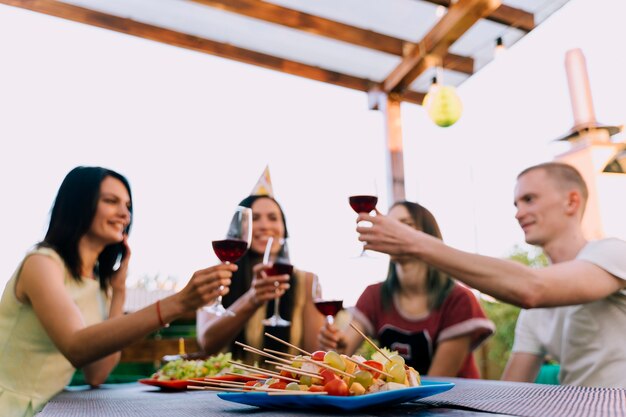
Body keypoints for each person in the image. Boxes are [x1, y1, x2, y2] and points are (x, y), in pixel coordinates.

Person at [356, 162, 626, 388]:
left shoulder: (612, 253)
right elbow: (512, 389)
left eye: (529, 199)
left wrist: (414, 243)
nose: (519, 213)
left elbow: (533, 289)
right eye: (516, 204)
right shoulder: (535, 313)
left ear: (571, 201)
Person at [0, 166, 235, 417]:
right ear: (78, 205)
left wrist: (119, 291)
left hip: (51, 408)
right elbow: (75, 347)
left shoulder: (99, 283)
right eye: (111, 201)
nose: (125, 213)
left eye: (127, 205)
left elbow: (97, 373)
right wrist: (176, 304)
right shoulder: (42, 263)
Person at [318, 201, 494, 378]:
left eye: (405, 225)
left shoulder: (459, 299)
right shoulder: (374, 295)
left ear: (428, 235)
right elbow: (344, 350)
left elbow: (437, 382)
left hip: (454, 403)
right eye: (390, 225)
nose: (393, 232)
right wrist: (336, 346)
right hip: (402, 403)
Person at [197, 194, 325, 360]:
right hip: (231, 384)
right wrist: (252, 298)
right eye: (255, 218)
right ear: (238, 228)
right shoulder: (218, 277)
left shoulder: (307, 281)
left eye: (273, 218)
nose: (264, 226)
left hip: (282, 385)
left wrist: (331, 344)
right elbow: (207, 344)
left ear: (284, 229)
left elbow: (313, 354)